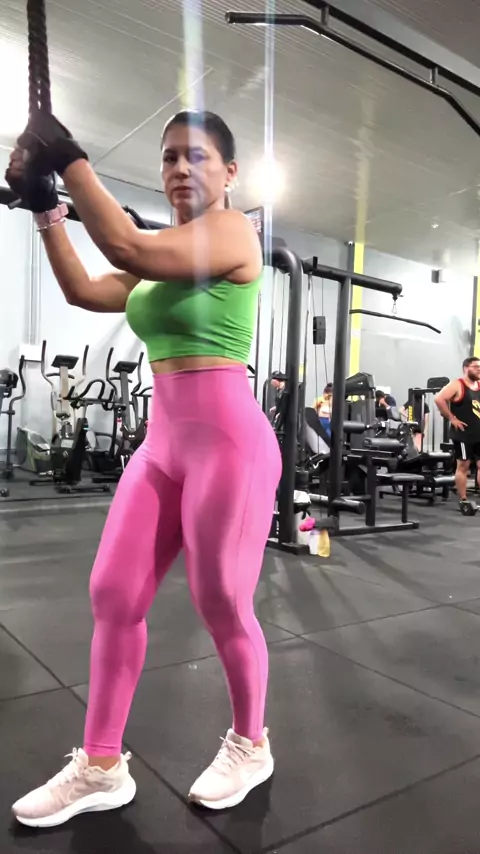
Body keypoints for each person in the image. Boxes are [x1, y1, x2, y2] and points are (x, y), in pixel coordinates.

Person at [6, 109, 282, 827]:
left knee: (222, 598)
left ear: (230, 172)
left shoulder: (232, 232)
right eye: (168, 158)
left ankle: (252, 743)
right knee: (113, 592)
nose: (180, 168)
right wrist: (45, 212)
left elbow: (125, 240)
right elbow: (83, 289)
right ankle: (101, 766)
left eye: (197, 156)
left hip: (229, 443)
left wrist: (69, 158)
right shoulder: (155, 262)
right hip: (162, 446)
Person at [434, 357, 480, 508]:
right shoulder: (457, 384)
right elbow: (439, 399)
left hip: (479, 434)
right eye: (476, 367)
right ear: (466, 368)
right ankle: (464, 500)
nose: (479, 369)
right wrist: (452, 418)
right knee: (464, 466)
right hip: (463, 434)